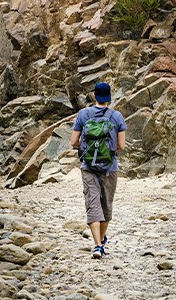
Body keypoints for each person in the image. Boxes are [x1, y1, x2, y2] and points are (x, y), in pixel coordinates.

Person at [70, 81, 127, 259]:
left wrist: (89, 149)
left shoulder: (83, 115)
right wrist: (105, 150)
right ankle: (101, 242)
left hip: (88, 167)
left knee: (92, 204)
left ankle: (96, 246)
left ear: (94, 95)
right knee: (106, 205)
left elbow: (73, 142)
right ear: (109, 97)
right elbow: (121, 146)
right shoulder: (116, 116)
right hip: (110, 167)